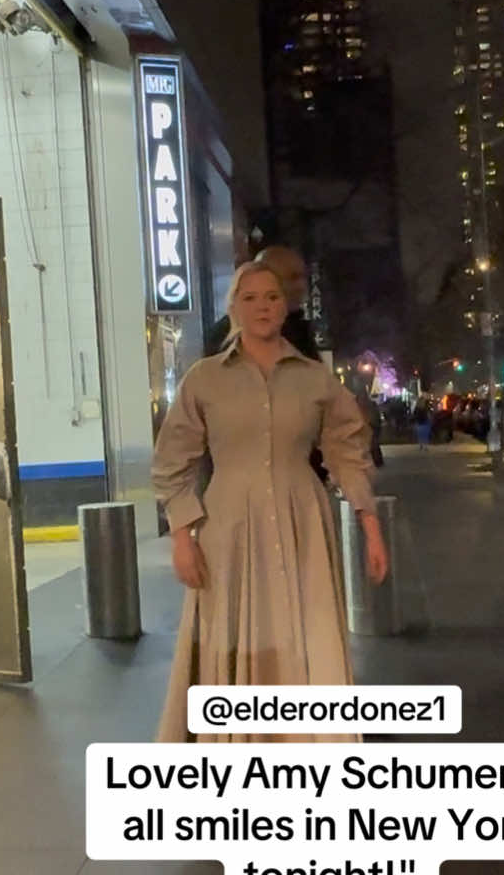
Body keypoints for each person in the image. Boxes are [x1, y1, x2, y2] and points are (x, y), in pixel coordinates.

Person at [152, 260, 388, 743]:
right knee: (237, 635)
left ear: (286, 306)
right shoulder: (205, 378)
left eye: (273, 297)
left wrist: (370, 524)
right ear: (234, 308)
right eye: (251, 297)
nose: (263, 306)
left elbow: (347, 448)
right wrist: (182, 537)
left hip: (303, 520)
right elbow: (172, 460)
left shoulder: (314, 378)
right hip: (228, 529)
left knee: (308, 627)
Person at [205, 245, 326, 480]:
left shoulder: (298, 334)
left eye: (302, 277)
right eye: (291, 277)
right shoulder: (223, 343)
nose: (301, 285)